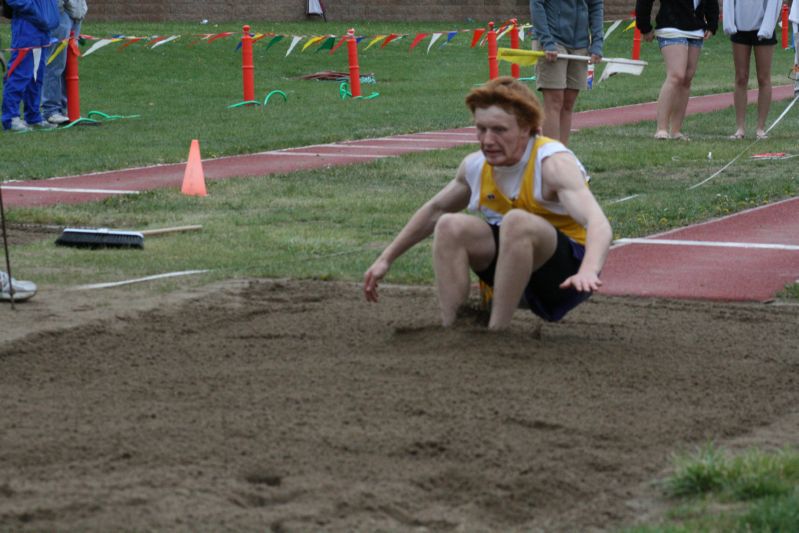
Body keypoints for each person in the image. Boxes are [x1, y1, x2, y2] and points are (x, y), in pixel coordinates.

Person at [363, 77, 612, 330]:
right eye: (481, 129)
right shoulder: (475, 166)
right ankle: (455, 329)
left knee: (516, 222)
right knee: (449, 225)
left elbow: (598, 223)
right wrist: (386, 258)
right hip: (512, 269)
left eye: (499, 130)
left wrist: (589, 271)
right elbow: (434, 211)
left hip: (566, 277)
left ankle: (496, 332)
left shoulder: (552, 164)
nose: (488, 140)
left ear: (526, 128)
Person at [636, 0, 719, 140]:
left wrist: (712, 23)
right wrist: (644, 27)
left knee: (687, 78)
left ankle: (676, 130)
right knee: (676, 75)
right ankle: (661, 128)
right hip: (671, 26)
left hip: (696, 28)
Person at [530, 0, 604, 145]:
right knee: (554, 100)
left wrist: (597, 42)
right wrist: (546, 40)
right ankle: (550, 156)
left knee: (568, 102)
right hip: (552, 40)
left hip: (580, 43)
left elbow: (596, 5)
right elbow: (536, 4)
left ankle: (562, 155)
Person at [722, 0, 781, 140]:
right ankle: (740, 128)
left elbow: (774, 4)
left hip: (764, 26)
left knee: (763, 77)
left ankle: (760, 128)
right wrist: (729, 24)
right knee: (741, 77)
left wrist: (767, 28)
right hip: (739, 28)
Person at [1, 0, 60, 132]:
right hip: (27, 27)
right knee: (19, 75)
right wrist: (35, 11)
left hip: (42, 29)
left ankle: (33, 117)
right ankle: (11, 118)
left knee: (36, 78)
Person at [41, 0, 88, 125]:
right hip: (62, 14)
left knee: (68, 66)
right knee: (55, 64)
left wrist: (81, 10)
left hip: (76, 14)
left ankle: (62, 109)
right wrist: (60, 10)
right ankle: (50, 110)